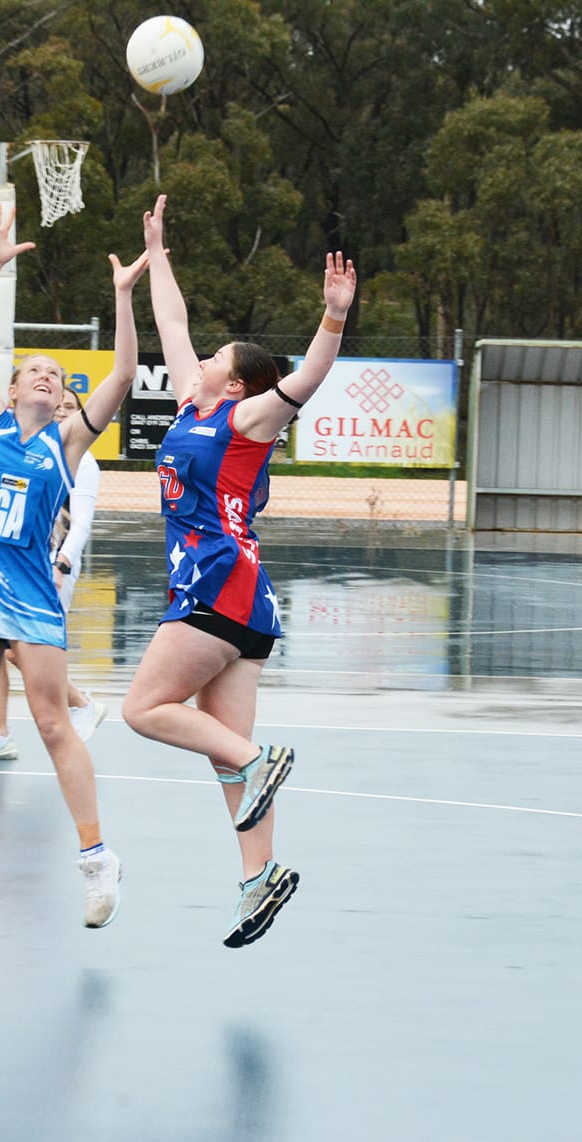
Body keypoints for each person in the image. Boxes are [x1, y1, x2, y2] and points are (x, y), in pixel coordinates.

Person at [120, 193, 357, 948]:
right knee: (226, 758)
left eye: (215, 360)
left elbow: (306, 379)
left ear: (235, 384)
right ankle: (259, 877)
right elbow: (174, 323)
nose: (199, 361)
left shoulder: (247, 421)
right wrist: (158, 255)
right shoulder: (194, 408)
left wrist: (334, 316)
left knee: (144, 710)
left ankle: (265, 760)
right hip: (244, 601)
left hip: (217, 584)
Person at [0, 201, 148, 937]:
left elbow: (126, 371)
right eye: (33, 370)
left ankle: (97, 859)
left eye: (56, 373)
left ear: (63, 396)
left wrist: (123, 296)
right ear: (12, 388)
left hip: (33, 595)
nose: (45, 376)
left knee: (51, 721)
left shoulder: (67, 444)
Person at [0, 387, 109, 760]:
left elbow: (80, 524)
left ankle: (80, 703)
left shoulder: (83, 460)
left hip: (52, 566)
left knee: (23, 651)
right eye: (58, 405)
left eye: (71, 407)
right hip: (19, 563)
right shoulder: (31, 451)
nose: (62, 411)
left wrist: (61, 564)